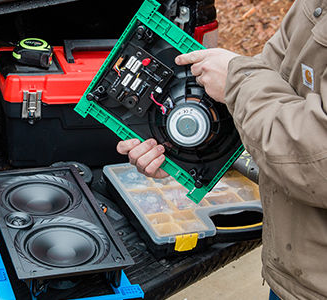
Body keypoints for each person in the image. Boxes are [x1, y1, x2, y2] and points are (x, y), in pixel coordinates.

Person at [117, 0, 327, 299]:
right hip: (294, 271)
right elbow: (275, 82)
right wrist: (182, 149)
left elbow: (317, 162)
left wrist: (238, 80)